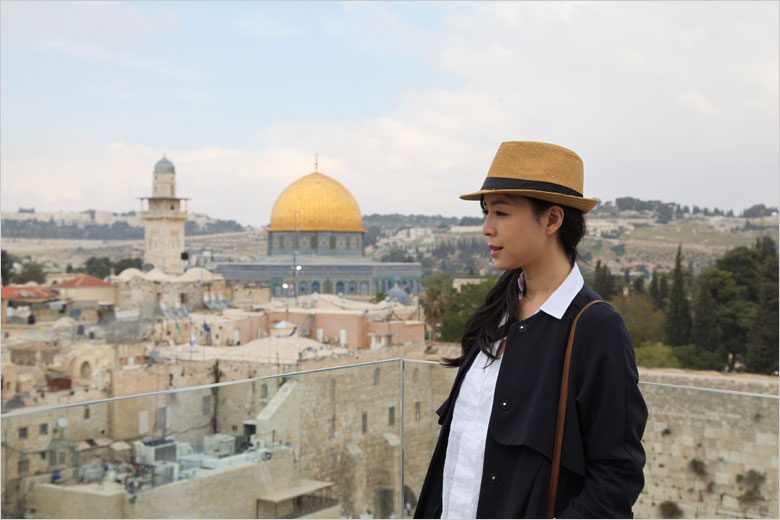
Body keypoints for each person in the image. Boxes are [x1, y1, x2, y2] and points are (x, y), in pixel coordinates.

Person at [413, 141, 648, 519]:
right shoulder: (497, 312)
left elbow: (616, 477)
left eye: (501, 213)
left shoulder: (596, 329)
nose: (486, 228)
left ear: (552, 220)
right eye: (487, 213)